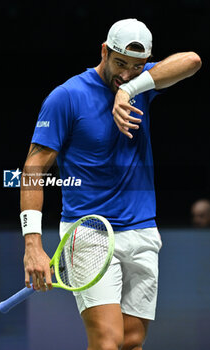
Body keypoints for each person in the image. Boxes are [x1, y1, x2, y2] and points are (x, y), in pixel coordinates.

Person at [20, 19, 201, 350]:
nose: (127, 73)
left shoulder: (140, 84)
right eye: (120, 64)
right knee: (107, 342)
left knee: (131, 342)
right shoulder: (67, 96)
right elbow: (33, 168)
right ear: (104, 51)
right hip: (88, 232)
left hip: (142, 231)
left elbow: (192, 61)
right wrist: (32, 244)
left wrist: (130, 89)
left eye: (137, 66)